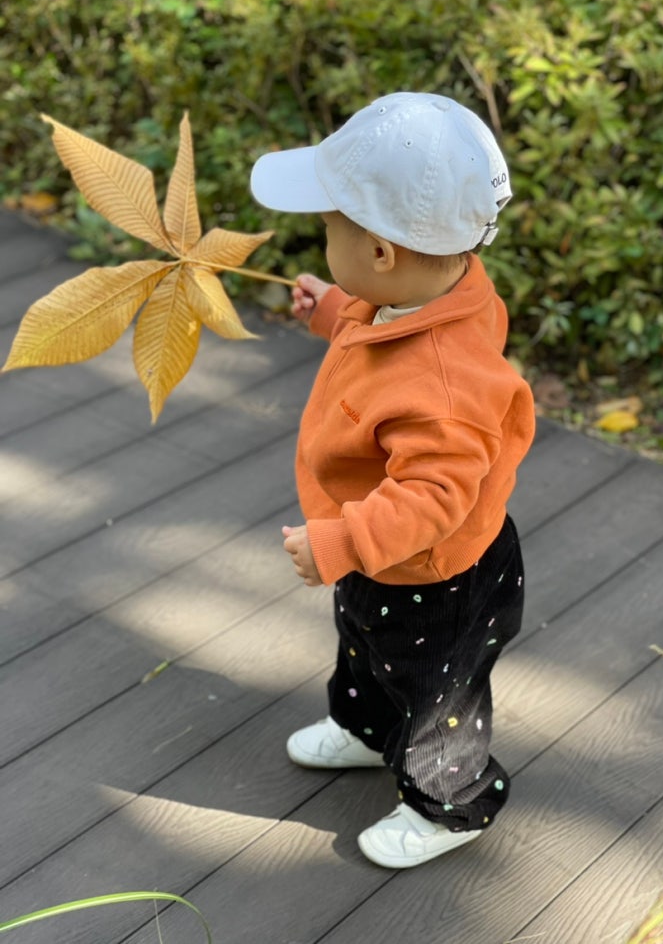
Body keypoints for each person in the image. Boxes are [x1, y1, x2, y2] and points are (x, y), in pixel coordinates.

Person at [250, 91, 535, 869]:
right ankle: (365, 726)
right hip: (386, 554)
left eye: (329, 227)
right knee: (363, 646)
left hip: (434, 575)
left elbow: (433, 496)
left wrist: (343, 540)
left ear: (380, 252)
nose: (323, 237)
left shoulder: (442, 385)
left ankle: (452, 803)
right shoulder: (431, 289)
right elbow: (384, 331)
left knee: (436, 691)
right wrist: (334, 309)